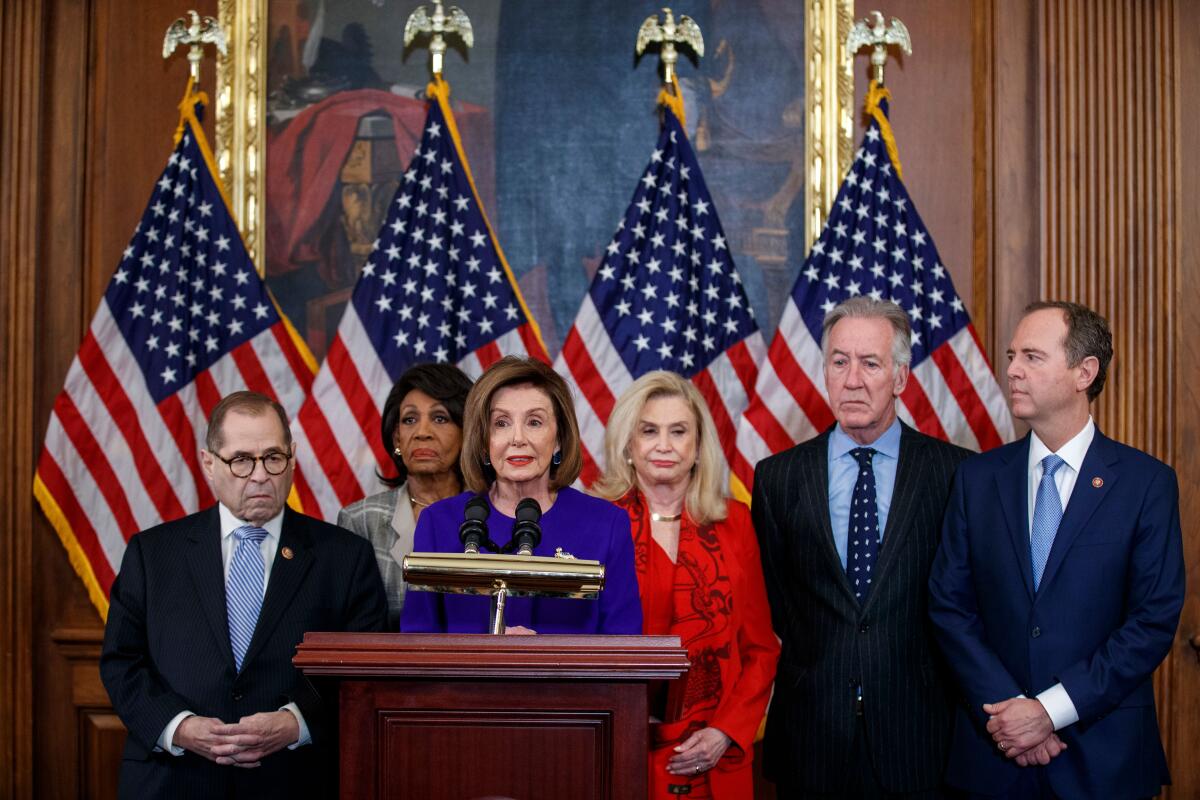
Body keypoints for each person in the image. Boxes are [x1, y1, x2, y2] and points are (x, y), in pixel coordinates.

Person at [929, 301, 1184, 799]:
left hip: (1103, 759)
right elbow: (949, 607)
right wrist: (1009, 713)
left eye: (1031, 356)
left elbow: (1152, 620)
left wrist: (1050, 711)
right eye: (1010, 356)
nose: (1012, 371)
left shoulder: (1145, 484)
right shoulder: (977, 479)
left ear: (1084, 372)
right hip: (994, 756)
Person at [100, 391, 388, 799]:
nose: (259, 475)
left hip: (293, 779)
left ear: (292, 457)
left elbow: (362, 671)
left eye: (273, 457)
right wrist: (179, 727)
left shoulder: (344, 557)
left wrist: (296, 722)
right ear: (209, 464)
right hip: (173, 779)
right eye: (240, 460)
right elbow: (121, 662)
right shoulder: (152, 554)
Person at [752, 297, 970, 798]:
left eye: (870, 363)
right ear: (824, 372)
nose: (853, 379)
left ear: (900, 377)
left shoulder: (954, 474)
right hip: (811, 737)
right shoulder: (778, 479)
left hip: (919, 738)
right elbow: (778, 607)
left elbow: (963, 602)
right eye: (839, 361)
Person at [593, 371, 779, 799]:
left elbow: (761, 649)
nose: (663, 445)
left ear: (698, 446)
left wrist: (725, 732)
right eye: (649, 431)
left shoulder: (736, 524)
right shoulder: (597, 522)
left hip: (714, 754)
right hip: (617, 746)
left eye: (678, 432)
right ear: (628, 443)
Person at [400, 356, 642, 634]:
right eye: (501, 423)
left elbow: (622, 649)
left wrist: (544, 662)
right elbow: (418, 646)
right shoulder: (439, 523)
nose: (517, 438)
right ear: (483, 440)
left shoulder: (606, 525)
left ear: (559, 438)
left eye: (534, 422)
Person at [337, 363, 473, 629]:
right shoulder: (359, 521)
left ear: (467, 432)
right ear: (397, 437)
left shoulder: (493, 515)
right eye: (409, 419)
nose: (422, 432)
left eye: (440, 418)